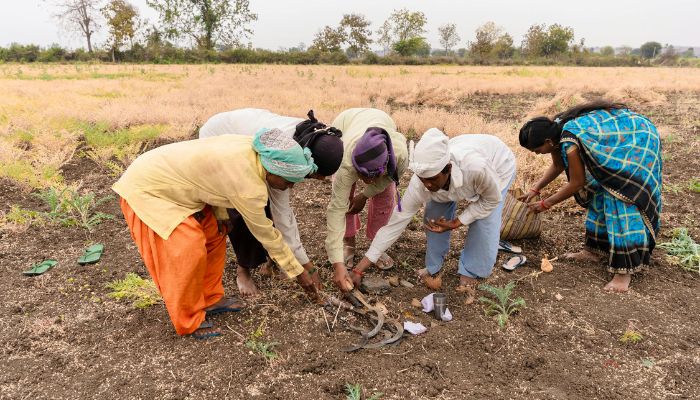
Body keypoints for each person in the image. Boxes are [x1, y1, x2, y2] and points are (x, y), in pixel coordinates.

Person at [113, 129, 320, 339]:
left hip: (178, 186)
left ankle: (210, 298)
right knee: (186, 250)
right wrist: (298, 273)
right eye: (287, 182)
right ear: (272, 171)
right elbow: (267, 235)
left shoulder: (254, 152)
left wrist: (221, 213)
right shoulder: (249, 186)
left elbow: (215, 177)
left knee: (215, 233)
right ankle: (189, 320)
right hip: (150, 188)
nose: (290, 187)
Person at [347, 128, 516, 293]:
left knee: (484, 222)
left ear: (448, 169)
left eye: (432, 179)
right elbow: (396, 222)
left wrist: (457, 222)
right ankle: (434, 266)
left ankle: (472, 270)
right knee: (434, 218)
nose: (427, 185)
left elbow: (491, 200)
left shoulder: (476, 169)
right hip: (462, 151)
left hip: (497, 162)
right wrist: (359, 269)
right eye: (423, 180)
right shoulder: (421, 183)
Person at [517, 101, 662, 292]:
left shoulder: (568, 138)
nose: (537, 154)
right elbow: (558, 166)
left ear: (548, 143)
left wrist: (546, 203)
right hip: (617, 143)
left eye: (537, 150)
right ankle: (594, 251)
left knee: (619, 198)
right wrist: (535, 189)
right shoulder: (555, 132)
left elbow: (577, 182)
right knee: (599, 192)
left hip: (636, 141)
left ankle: (624, 273)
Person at [199, 108, 343, 296]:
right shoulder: (284, 157)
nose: (315, 180)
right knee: (243, 211)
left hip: (246, 133)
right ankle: (243, 271)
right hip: (219, 138)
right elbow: (282, 216)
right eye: (313, 175)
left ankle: (273, 260)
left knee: (265, 205)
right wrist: (307, 268)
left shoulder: (315, 139)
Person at [326, 108, 409, 292]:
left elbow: (387, 179)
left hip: (381, 119)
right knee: (345, 199)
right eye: (363, 176)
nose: (368, 182)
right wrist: (337, 263)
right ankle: (348, 242)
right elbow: (336, 209)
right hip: (346, 123)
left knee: (386, 196)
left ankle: (376, 245)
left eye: (372, 177)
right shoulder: (345, 160)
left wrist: (365, 195)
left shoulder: (400, 155)